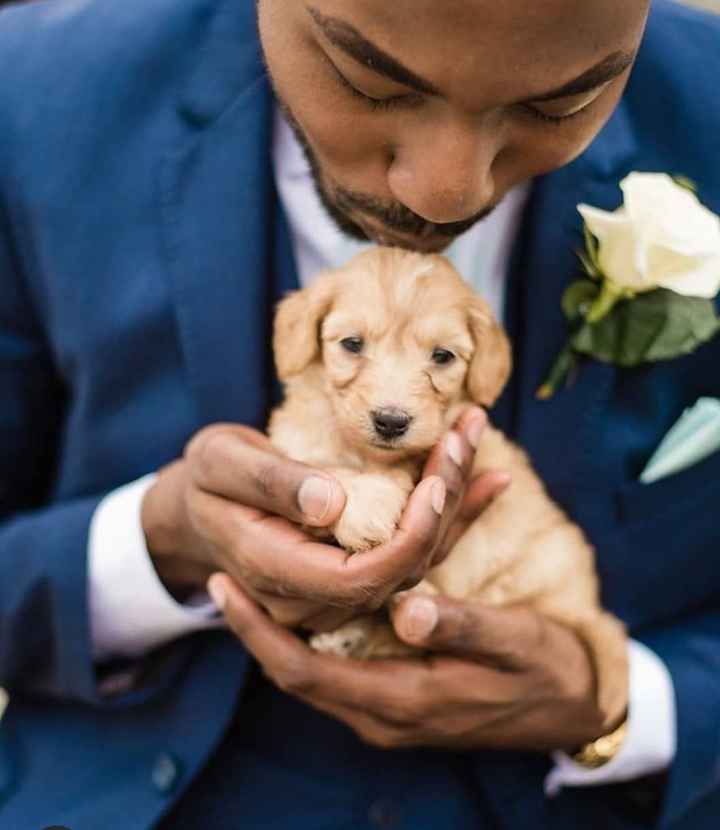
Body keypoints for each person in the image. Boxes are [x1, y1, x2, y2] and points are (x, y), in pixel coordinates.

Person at [0, 0, 718, 827]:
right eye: (367, 81)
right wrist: (155, 545)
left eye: (554, 106)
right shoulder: (37, 99)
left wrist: (631, 709)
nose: (447, 192)